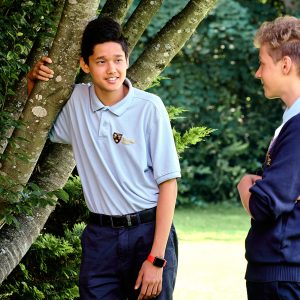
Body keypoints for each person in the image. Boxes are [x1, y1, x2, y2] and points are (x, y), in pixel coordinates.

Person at [27, 16, 181, 300]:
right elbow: (40, 124)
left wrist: (156, 259)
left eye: (118, 60)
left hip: (148, 235)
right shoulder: (75, 101)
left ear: (126, 59)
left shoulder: (150, 108)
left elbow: (168, 185)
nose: (112, 70)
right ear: (85, 64)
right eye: (101, 62)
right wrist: (33, 82)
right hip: (100, 239)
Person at [237, 16, 300, 300]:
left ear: (285, 65)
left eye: (263, 63)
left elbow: (265, 203)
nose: (257, 73)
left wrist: (245, 185)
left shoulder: (298, 126)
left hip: (282, 274)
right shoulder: (291, 123)